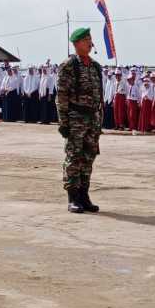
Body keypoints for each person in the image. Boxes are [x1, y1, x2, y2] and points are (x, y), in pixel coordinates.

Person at [56, 27, 103, 214]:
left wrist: (99, 121)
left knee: (88, 157)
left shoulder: (95, 66)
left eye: (90, 39)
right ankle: (73, 197)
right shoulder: (69, 65)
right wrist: (63, 122)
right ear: (76, 44)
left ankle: (84, 195)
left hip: (93, 118)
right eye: (85, 40)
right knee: (74, 157)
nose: (90, 43)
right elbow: (61, 96)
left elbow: (99, 96)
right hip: (75, 118)